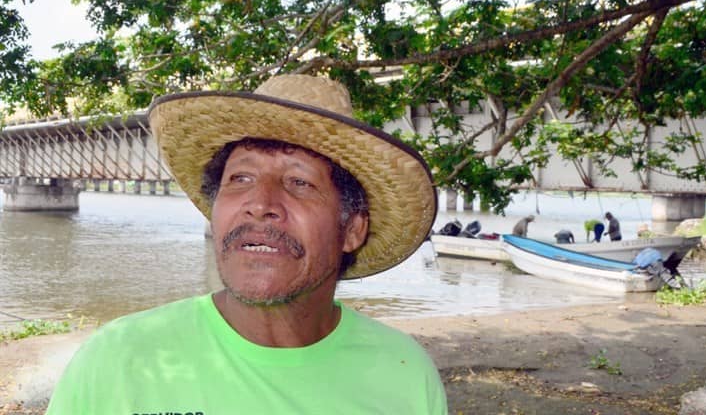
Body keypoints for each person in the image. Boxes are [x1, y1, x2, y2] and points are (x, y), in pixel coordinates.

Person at [46, 75, 447, 414]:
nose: (260, 204)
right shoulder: (119, 361)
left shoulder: (406, 375)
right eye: (240, 179)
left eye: (299, 182)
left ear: (353, 230)